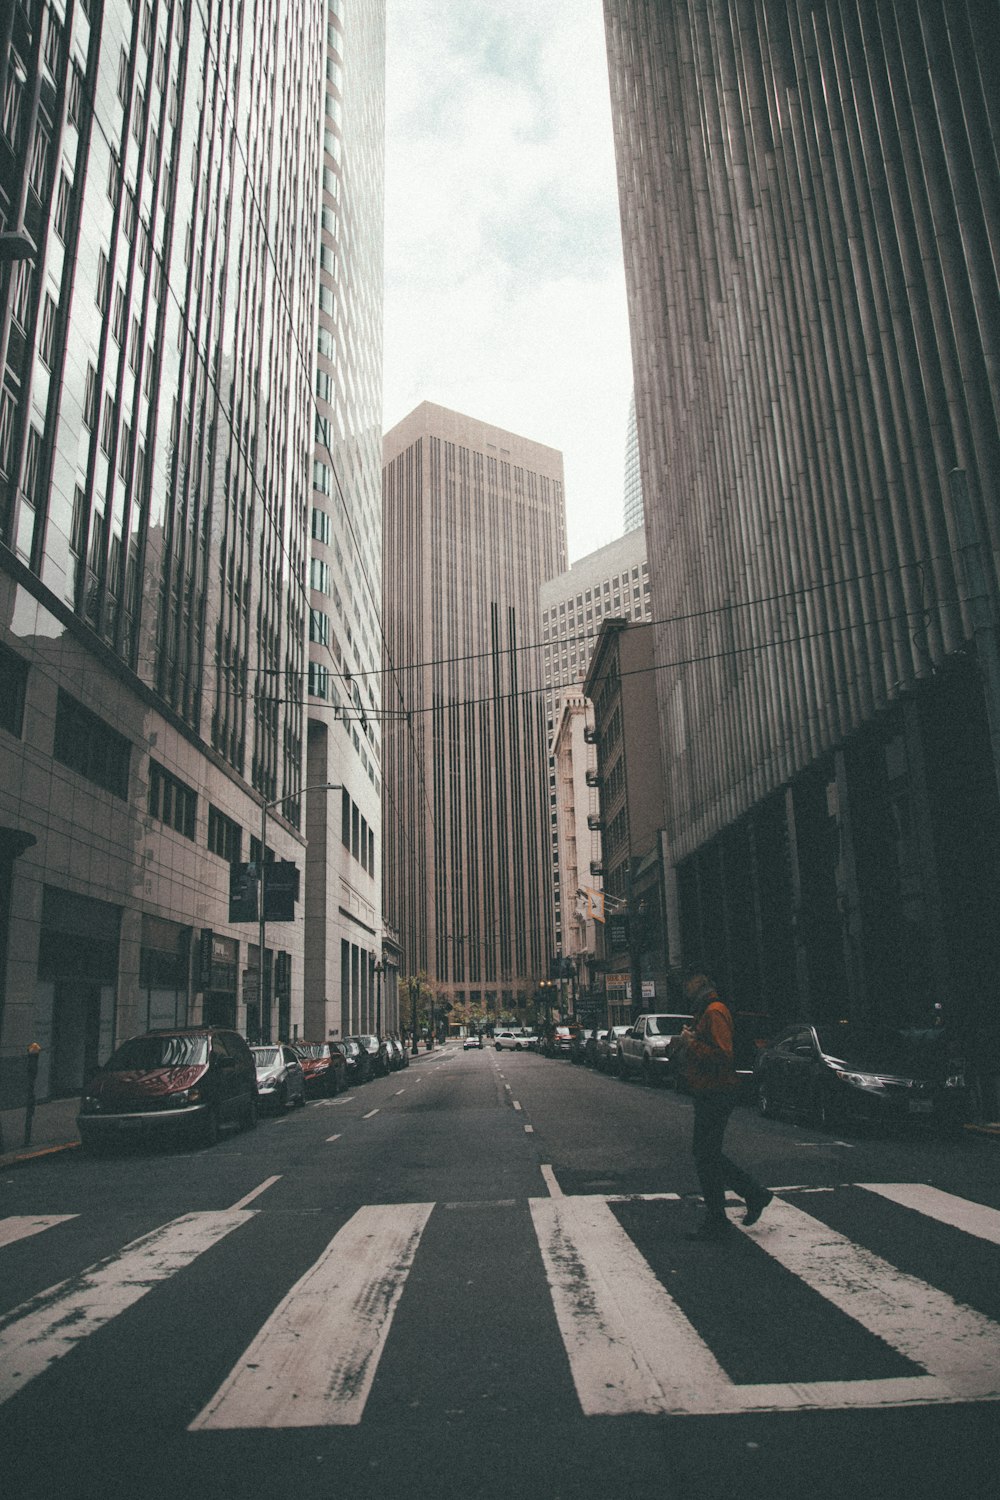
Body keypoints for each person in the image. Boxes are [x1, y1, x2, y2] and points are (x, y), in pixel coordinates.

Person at [675, 974, 772, 1241]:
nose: (685, 988)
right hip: (709, 1090)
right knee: (707, 1154)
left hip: (716, 1091)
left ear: (700, 985)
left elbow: (722, 1055)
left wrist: (691, 1043)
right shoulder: (705, 1012)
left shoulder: (715, 1012)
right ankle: (744, 1199)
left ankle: (728, 1211)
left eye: (689, 983)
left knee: (706, 1154)